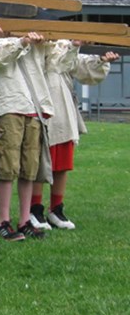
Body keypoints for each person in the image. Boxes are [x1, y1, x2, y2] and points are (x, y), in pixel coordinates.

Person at [30, 41, 119, 230]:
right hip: (39, 101)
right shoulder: (37, 44)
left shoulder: (65, 43)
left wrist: (101, 59)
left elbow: (80, 66)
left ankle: (56, 209)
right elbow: (53, 62)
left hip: (63, 107)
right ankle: (34, 208)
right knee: (39, 161)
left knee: (62, 162)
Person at [0, 33, 55, 241]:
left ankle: (25, 220)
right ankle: (3, 221)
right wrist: (23, 41)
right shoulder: (0, 36)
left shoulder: (43, 41)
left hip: (34, 107)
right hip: (10, 105)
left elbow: (58, 62)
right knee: (8, 166)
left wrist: (74, 46)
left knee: (30, 167)